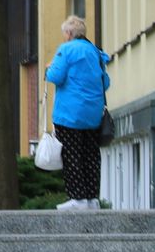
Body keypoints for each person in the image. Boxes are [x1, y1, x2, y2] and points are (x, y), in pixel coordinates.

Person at [45, 15, 109, 210]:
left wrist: (49, 68)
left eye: (65, 33)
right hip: (92, 114)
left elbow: (55, 76)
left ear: (69, 33)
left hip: (69, 113)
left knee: (71, 153)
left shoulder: (66, 50)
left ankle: (77, 198)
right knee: (90, 153)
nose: (64, 36)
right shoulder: (96, 52)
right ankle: (92, 198)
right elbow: (105, 82)